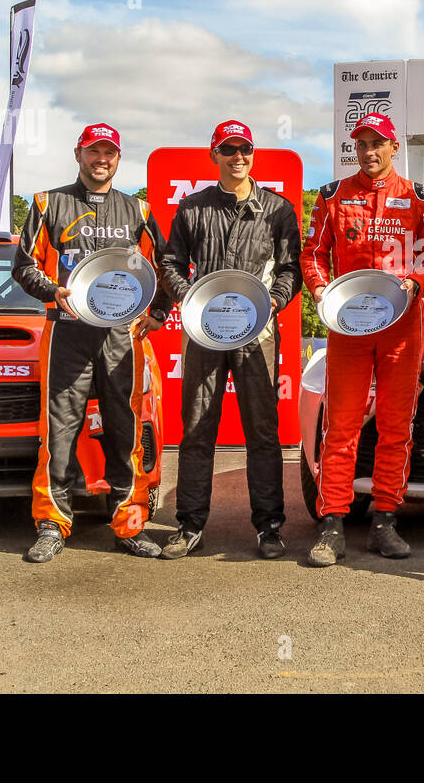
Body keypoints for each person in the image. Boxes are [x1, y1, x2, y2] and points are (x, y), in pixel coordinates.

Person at [14, 122, 172, 563]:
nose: (101, 160)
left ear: (118, 159)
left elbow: (170, 265)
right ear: (78, 154)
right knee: (58, 432)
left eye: (110, 153)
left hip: (122, 337)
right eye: (93, 152)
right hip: (66, 330)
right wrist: (53, 292)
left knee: (126, 432)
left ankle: (129, 524)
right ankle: (51, 524)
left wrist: (157, 313)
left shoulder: (137, 211)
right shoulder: (48, 203)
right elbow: (23, 266)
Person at [300, 112, 424, 566]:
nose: (369, 151)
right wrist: (321, 290)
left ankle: (385, 520)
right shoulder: (331, 195)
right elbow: (312, 254)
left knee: (395, 427)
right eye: (361, 144)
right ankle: (332, 525)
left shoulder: (421, 197)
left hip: (403, 327)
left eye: (377, 143)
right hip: (349, 328)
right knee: (340, 427)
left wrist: (417, 283)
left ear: (393, 146)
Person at [157, 120, 302, 560]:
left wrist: (273, 302)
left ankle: (269, 527)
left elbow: (291, 269)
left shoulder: (277, 208)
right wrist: (192, 300)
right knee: (198, 428)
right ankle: (189, 525)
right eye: (229, 149)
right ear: (214, 155)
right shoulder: (193, 207)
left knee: (263, 430)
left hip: (258, 333)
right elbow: (169, 263)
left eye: (245, 149)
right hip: (204, 332)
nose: (238, 157)